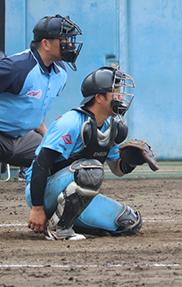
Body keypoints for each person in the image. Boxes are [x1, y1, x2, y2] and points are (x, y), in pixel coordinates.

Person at [25, 66, 155, 240]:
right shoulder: (71, 122)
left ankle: (64, 219)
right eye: (115, 92)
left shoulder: (111, 126)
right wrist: (37, 208)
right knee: (90, 169)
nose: (120, 97)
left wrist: (133, 160)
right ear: (99, 98)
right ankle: (60, 229)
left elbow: (118, 169)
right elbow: (41, 165)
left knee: (128, 221)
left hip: (75, 193)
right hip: (43, 191)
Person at [0, 15, 83, 180]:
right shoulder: (18, 68)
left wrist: (49, 138)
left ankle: (45, 204)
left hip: (23, 138)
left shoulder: (60, 73)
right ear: (45, 44)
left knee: (67, 160)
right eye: (64, 40)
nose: (71, 45)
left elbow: (40, 111)